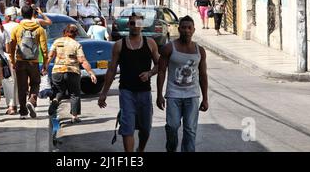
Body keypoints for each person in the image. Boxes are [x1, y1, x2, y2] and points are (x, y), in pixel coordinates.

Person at [98, 13, 160, 152]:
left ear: (142, 26)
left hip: (144, 92)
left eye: (138, 24)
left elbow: (159, 65)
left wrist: (149, 73)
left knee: (145, 128)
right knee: (127, 128)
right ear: (128, 25)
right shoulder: (119, 45)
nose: (135, 27)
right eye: (132, 23)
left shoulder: (150, 43)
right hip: (126, 92)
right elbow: (112, 70)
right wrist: (104, 93)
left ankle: (141, 150)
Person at [156, 15, 209, 152]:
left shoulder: (200, 51)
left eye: (189, 28)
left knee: (190, 130)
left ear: (194, 30)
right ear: (179, 29)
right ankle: (171, 147)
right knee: (172, 126)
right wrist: (159, 95)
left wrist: (205, 98)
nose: (186, 30)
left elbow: (203, 75)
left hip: (192, 96)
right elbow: (161, 71)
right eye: (183, 27)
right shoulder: (169, 48)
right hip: (173, 95)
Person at [45, 24, 97, 123]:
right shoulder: (76, 45)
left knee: (60, 91)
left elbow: (50, 56)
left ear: (65, 32)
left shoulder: (57, 42)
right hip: (72, 71)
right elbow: (82, 60)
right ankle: (74, 116)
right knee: (74, 94)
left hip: (57, 71)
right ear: (76, 34)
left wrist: (45, 67)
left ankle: (55, 101)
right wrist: (91, 73)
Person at [9, 5, 48, 119]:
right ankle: (32, 100)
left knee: (22, 87)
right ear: (32, 14)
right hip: (34, 62)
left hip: (20, 61)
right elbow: (44, 48)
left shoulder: (17, 28)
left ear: (21, 14)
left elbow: (11, 47)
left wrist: (12, 61)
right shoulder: (39, 29)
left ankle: (23, 112)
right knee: (35, 83)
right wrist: (45, 63)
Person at [3, 7, 19, 115]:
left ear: (8, 16)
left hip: (7, 57)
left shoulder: (4, 27)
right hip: (20, 57)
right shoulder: (20, 26)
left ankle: (11, 106)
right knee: (17, 82)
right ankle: (16, 105)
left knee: (8, 82)